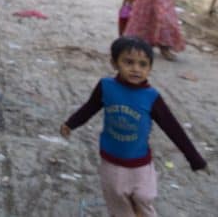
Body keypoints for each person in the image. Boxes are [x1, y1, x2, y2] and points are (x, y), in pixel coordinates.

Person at [60, 36, 207, 216]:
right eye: (128, 62)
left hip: (140, 162)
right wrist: (71, 123)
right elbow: (90, 107)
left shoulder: (151, 97)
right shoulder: (106, 86)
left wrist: (194, 158)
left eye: (143, 64)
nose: (136, 69)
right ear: (115, 63)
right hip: (111, 160)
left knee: (144, 197)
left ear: (150, 68)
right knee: (118, 201)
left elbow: (173, 128)